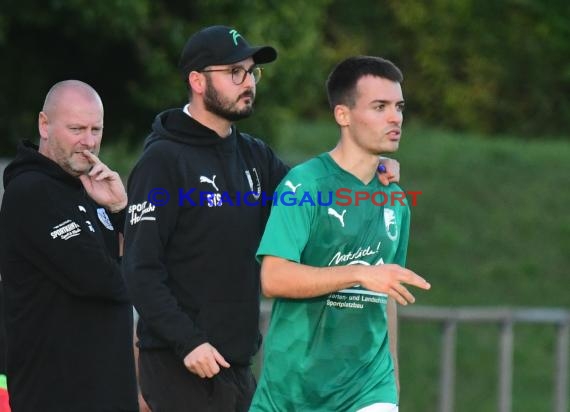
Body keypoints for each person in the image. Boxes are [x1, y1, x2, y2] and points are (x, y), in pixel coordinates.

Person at [122, 26, 401, 412]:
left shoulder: (254, 155)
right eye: (234, 72)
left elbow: (315, 201)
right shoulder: (162, 161)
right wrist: (187, 342)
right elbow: (139, 269)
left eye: (252, 72)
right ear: (197, 81)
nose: (248, 82)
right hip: (181, 361)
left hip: (237, 365)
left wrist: (369, 169)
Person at [249, 56, 432, 412]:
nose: (395, 118)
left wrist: (391, 379)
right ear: (342, 115)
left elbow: (388, 293)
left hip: (368, 387)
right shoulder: (304, 185)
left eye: (399, 107)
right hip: (294, 389)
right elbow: (273, 278)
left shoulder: (395, 198)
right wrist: (360, 272)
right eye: (379, 107)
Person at [0, 80, 138, 412]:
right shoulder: (31, 193)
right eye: (77, 128)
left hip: (107, 393)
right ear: (44, 126)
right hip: (56, 396)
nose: (88, 142)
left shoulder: (90, 189)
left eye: (96, 129)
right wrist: (144, 274)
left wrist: (121, 211)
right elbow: (103, 280)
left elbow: (137, 260)